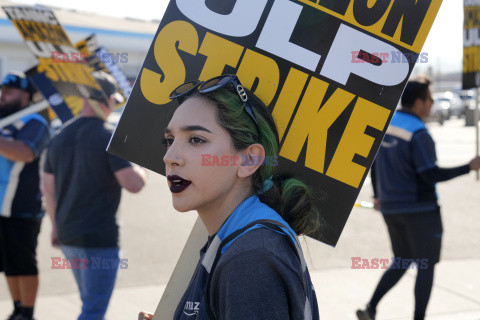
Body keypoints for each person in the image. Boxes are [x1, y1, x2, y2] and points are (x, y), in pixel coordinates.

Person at [139, 74, 321, 320]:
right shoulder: (238, 239)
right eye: (169, 140)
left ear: (249, 159)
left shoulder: (251, 262)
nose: (170, 157)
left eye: (196, 139)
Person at [356, 76, 480, 320]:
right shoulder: (419, 132)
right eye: (431, 99)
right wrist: (469, 166)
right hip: (420, 211)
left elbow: (373, 165)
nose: (432, 104)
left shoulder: (387, 125)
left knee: (402, 261)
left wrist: (379, 196)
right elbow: (429, 175)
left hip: (390, 209)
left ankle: (370, 308)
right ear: (420, 102)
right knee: (425, 266)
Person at [42, 71, 147, 320]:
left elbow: (47, 189)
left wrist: (56, 228)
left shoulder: (60, 136)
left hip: (68, 235)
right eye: (114, 101)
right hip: (97, 238)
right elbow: (133, 184)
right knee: (93, 310)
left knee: (89, 302)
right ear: (107, 100)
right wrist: (141, 166)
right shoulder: (108, 135)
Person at [0, 71, 51, 320]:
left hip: (23, 207)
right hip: (1, 207)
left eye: (9, 92)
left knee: (23, 262)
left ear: (25, 96)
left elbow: (25, 153)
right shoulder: (4, 119)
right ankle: (18, 308)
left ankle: (28, 314)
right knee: (8, 264)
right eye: (1, 91)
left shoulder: (35, 122)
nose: (2, 96)